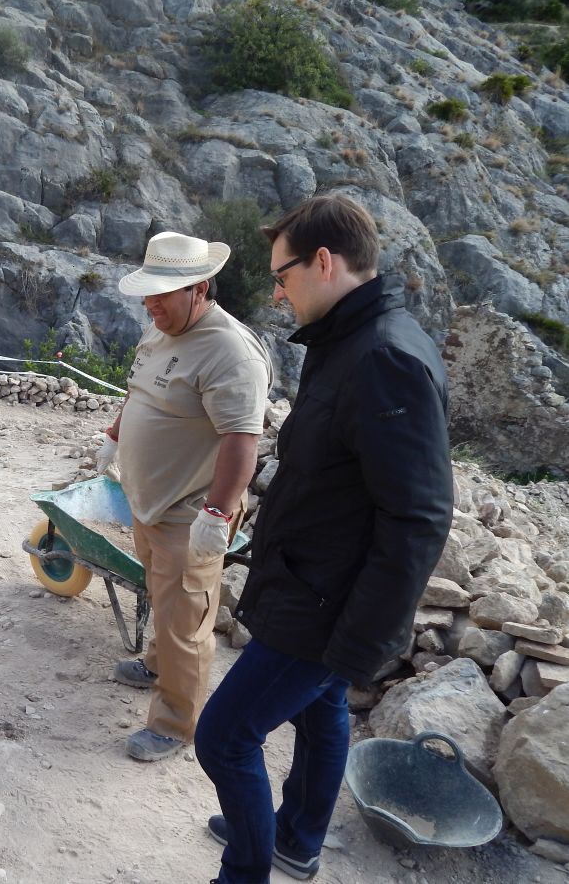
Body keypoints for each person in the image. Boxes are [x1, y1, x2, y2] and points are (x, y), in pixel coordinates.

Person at [194, 195, 454, 883]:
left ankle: (244, 870)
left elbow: (418, 516)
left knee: (223, 738)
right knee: (321, 710)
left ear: (323, 261)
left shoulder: (383, 358)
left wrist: (356, 646)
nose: (276, 292)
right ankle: (296, 836)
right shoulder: (349, 340)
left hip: (321, 606)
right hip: (309, 582)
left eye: (282, 276)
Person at [96, 231, 272, 762]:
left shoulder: (230, 352)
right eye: (147, 295)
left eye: (162, 295)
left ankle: (175, 723)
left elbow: (242, 440)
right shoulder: (159, 333)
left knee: (187, 619)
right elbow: (139, 391)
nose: (151, 306)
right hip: (149, 502)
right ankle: (156, 663)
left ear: (199, 288)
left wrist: (217, 514)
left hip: (192, 510)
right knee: (162, 597)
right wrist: (112, 438)